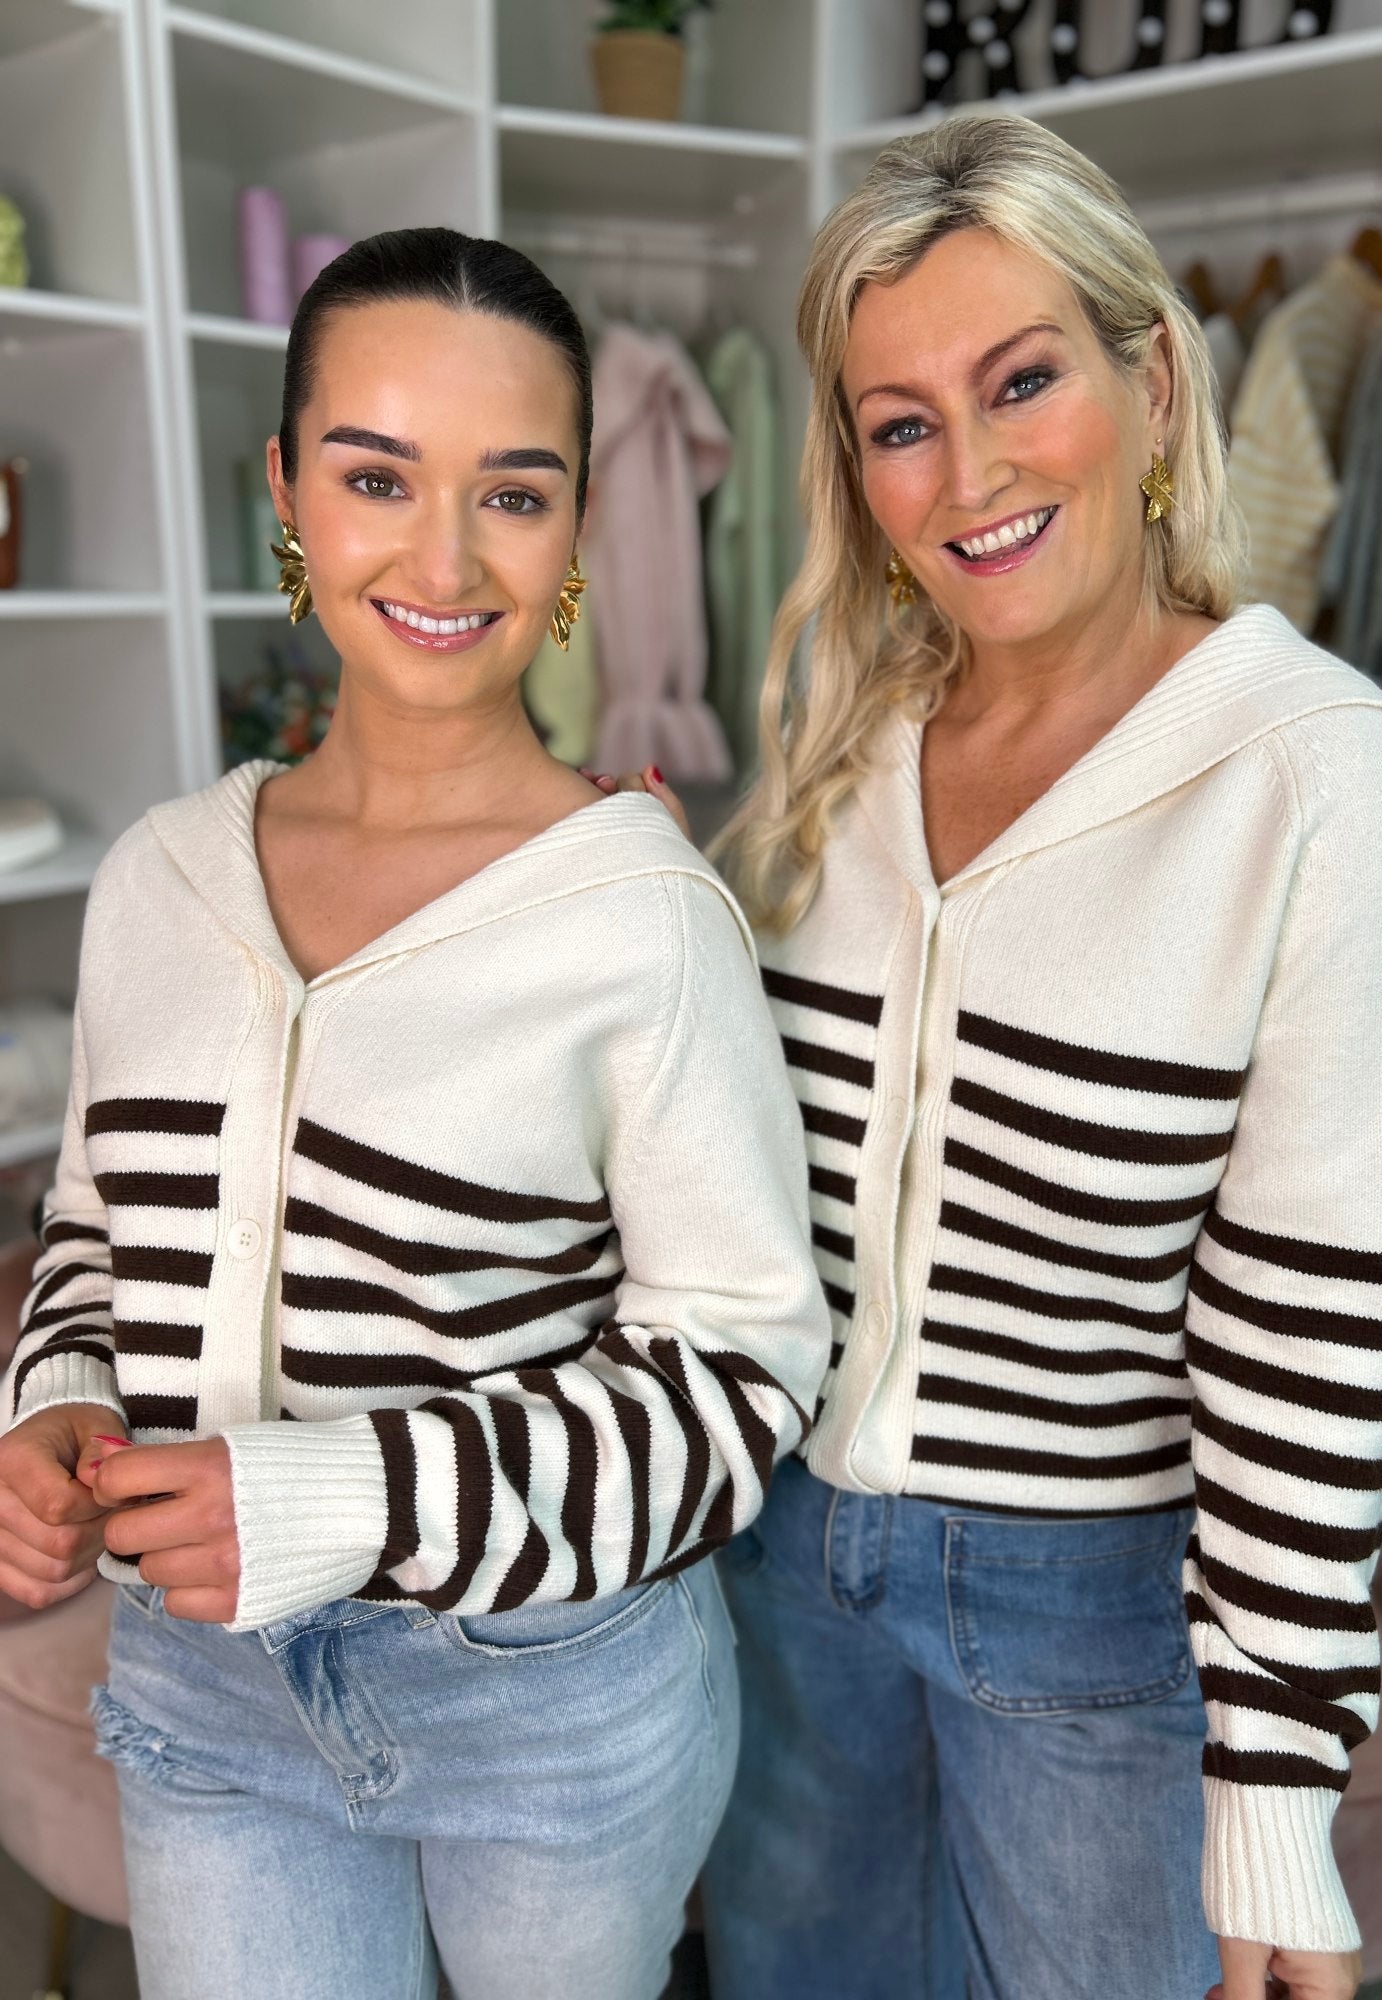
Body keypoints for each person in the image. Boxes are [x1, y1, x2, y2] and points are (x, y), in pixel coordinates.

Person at [607, 116, 1382, 2000]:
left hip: (1096, 1610)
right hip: (779, 1553)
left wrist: (1277, 1799)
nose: (970, 472)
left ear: (1154, 385)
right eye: (901, 422)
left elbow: (1311, 1333)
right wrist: (641, 935)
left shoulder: (1316, 777)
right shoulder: (845, 746)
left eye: (1021, 383)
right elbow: (753, 1177)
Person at [0, 227, 829, 2000]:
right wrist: (59, 1403)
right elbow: (96, 1231)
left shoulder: (643, 917)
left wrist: (343, 1495)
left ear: (579, 526)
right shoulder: (159, 882)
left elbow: (741, 1379)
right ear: (285, 485)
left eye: (512, 494)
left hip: (545, 1697)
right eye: (377, 476)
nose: (444, 559)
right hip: (204, 1682)